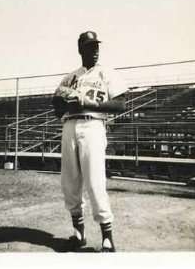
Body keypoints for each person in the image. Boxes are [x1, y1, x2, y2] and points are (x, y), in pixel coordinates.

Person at [52, 31, 128, 252]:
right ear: (80, 49)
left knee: (95, 182)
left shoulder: (107, 73)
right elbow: (56, 109)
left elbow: (121, 104)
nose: (94, 50)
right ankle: (78, 233)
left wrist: (86, 102)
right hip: (69, 126)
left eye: (96, 46)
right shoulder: (69, 77)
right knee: (70, 182)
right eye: (89, 46)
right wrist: (61, 100)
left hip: (92, 126)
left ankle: (107, 236)